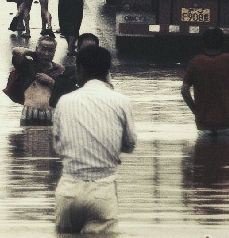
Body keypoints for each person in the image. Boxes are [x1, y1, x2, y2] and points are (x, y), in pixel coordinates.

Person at [53, 45, 136, 234]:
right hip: (102, 191)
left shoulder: (64, 101)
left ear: (79, 70)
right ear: (108, 71)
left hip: (68, 191)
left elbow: (58, 147)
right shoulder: (121, 101)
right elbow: (130, 144)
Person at [181, 28, 229, 137]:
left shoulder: (195, 63)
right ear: (223, 43)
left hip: (204, 126)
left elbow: (184, 90)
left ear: (204, 44)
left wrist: (196, 111)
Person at [8, 35, 65, 125]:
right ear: (37, 49)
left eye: (50, 51)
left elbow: (65, 92)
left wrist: (51, 82)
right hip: (29, 112)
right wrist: (33, 54)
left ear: (54, 52)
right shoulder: (28, 66)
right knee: (26, 137)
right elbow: (16, 51)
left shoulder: (59, 70)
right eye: (43, 49)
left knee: (50, 138)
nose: (46, 54)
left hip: (50, 113)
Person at [49, 32, 102, 108]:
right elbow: (54, 102)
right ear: (78, 50)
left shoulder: (102, 75)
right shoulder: (66, 75)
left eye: (92, 49)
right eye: (84, 49)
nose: (88, 53)